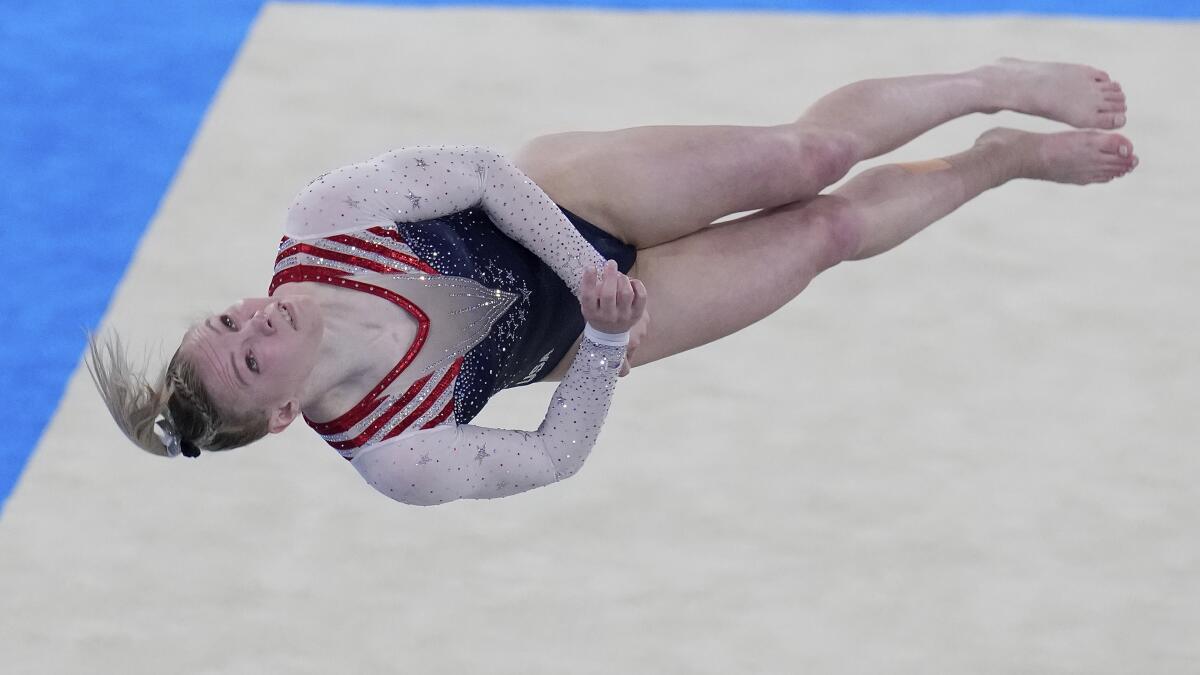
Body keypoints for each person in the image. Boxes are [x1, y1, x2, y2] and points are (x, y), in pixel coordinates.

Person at [88, 58, 1135, 506]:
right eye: (251, 351)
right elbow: (551, 454)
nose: (253, 315)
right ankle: (996, 158)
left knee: (804, 159)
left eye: (225, 315)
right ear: (279, 414)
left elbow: (485, 172)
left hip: (570, 203)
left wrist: (589, 273)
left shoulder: (322, 223)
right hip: (594, 334)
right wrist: (598, 340)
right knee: (828, 232)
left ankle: (992, 82)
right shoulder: (398, 456)